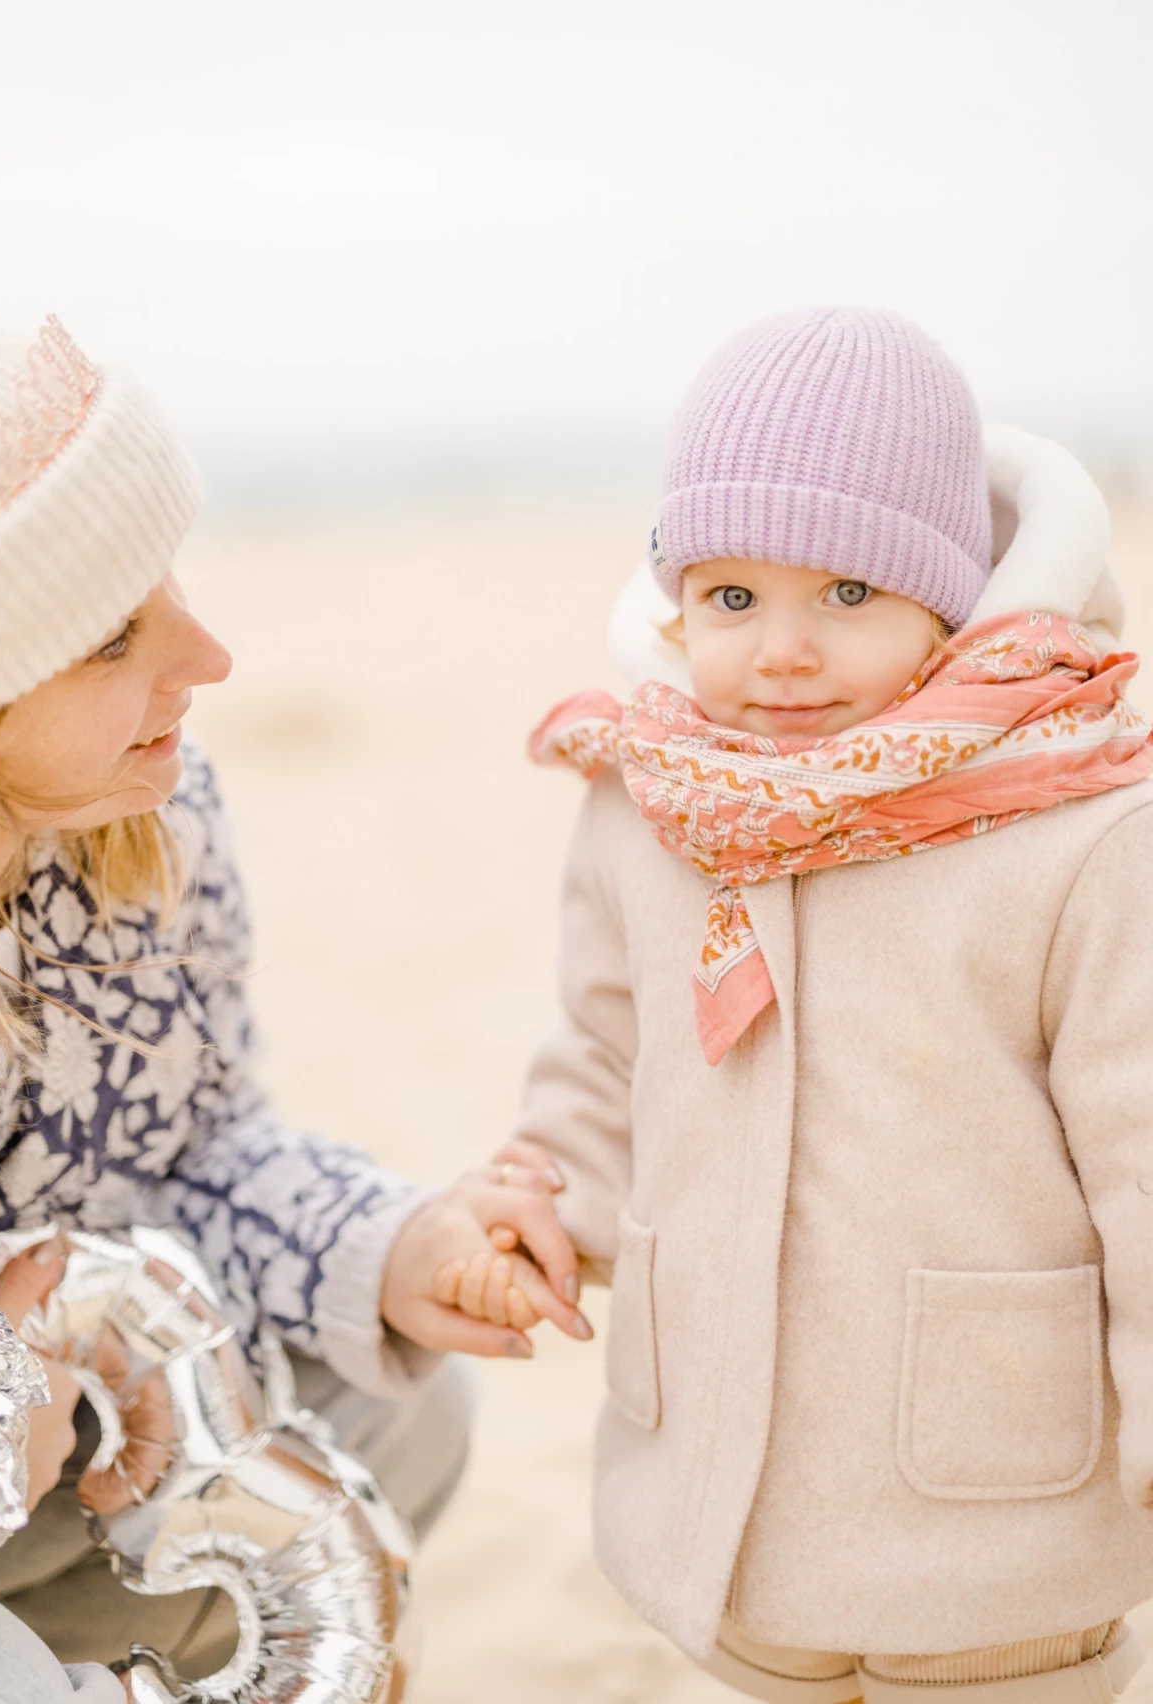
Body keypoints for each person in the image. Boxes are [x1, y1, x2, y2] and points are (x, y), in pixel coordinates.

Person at [459, 307, 1153, 1702]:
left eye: (848, 595)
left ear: (954, 602)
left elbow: (1142, 1135)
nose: (781, 650)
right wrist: (541, 1195)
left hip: (988, 1507)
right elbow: (605, 1054)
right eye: (731, 597)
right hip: (726, 1494)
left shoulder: (1073, 822)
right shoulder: (647, 807)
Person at [0, 314, 586, 1703]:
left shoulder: (156, 824)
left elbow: (206, 1151)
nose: (209, 657)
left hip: (51, 1461)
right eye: (113, 636)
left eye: (169, 582)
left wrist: (399, 1244)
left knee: (389, 1408)